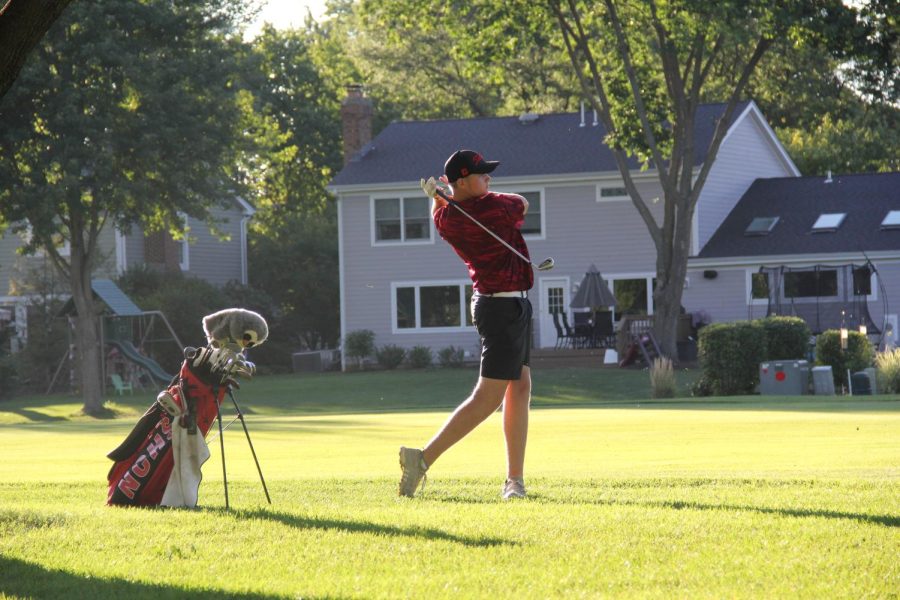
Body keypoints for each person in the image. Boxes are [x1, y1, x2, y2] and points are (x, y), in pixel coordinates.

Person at [398, 149, 534, 500]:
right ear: (461, 181)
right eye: (482, 175)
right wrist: (447, 198)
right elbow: (522, 203)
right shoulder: (491, 208)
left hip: (509, 305)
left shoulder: (449, 218)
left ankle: (514, 480)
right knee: (487, 398)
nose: (489, 179)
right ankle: (422, 459)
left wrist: (440, 200)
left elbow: (440, 215)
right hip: (501, 308)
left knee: (519, 387)